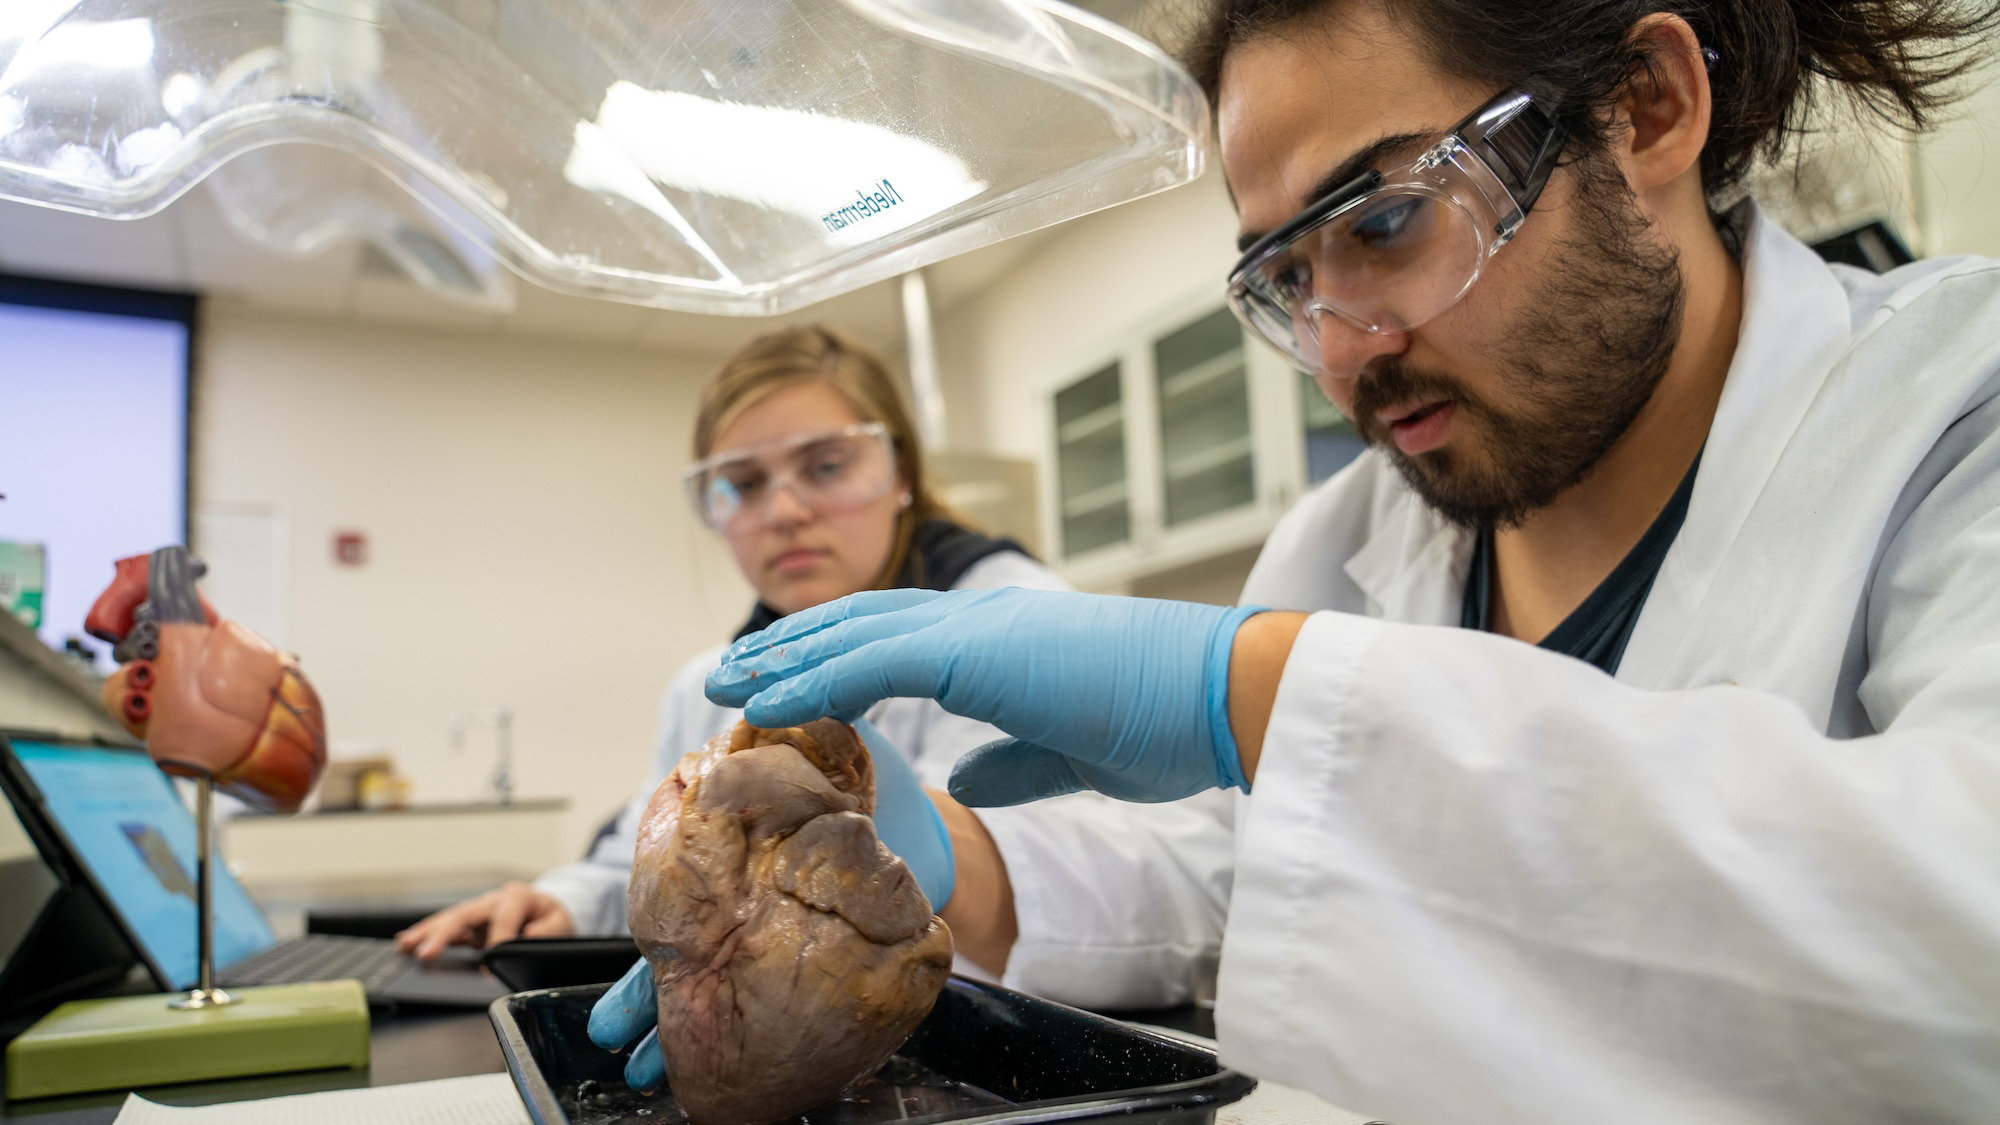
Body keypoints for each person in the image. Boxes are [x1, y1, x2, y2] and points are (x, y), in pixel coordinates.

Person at [699, 2, 2000, 1122]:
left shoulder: (1955, 407)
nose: (1336, 355)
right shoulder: (1354, 533)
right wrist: (946, 870)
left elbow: (1963, 931)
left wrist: (1256, 690)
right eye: (1288, 276)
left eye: (1383, 222)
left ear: (1645, 108)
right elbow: (1244, 874)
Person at [399, 326, 1231, 1016]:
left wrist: (954, 857)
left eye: (827, 466)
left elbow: (1178, 890)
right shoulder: (712, 683)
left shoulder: (1018, 620)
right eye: (744, 483)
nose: (786, 510)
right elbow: (652, 850)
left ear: (899, 474)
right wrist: (562, 904)